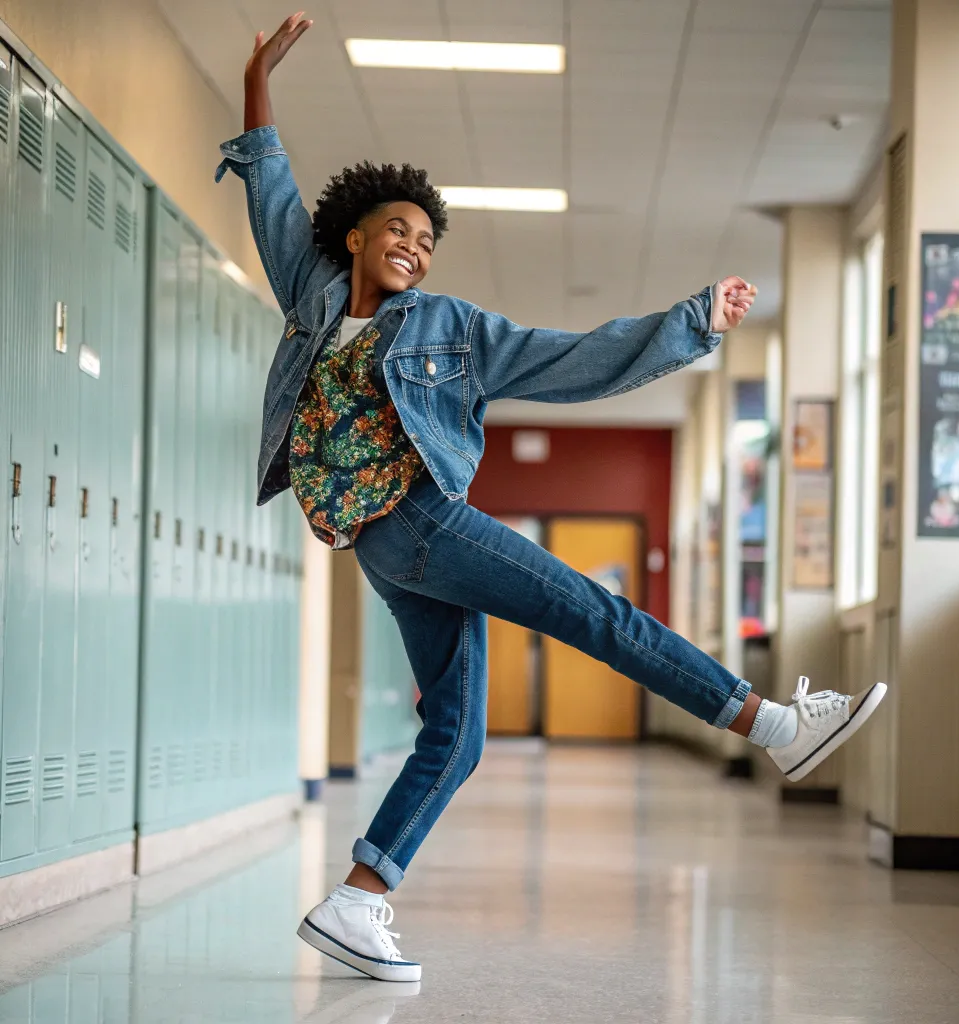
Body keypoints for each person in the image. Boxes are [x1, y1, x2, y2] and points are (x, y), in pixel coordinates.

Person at [216, 12, 888, 984]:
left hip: (403, 534)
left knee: (458, 728)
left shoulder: (446, 324)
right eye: (396, 229)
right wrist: (254, 80)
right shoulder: (312, 295)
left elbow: (569, 361)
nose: (412, 244)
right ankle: (776, 727)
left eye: (426, 238)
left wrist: (686, 325)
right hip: (403, 529)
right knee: (595, 613)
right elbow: (271, 187)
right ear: (353, 234)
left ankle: (360, 897)